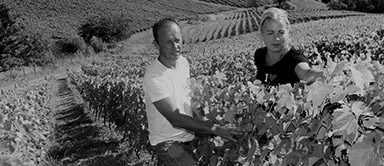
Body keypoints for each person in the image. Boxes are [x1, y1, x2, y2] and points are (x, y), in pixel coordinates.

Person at [143, 18, 241, 166]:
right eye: (168, 42)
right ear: (156, 44)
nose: (175, 46)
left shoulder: (183, 63)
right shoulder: (154, 77)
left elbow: (189, 98)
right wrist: (214, 129)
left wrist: (205, 118)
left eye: (178, 40)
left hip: (186, 137)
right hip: (166, 142)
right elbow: (175, 117)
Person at [254, 7, 324, 86]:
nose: (276, 38)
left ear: (288, 32)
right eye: (270, 33)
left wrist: (330, 74)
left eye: (281, 32)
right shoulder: (260, 55)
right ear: (262, 34)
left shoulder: (295, 58)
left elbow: (306, 74)